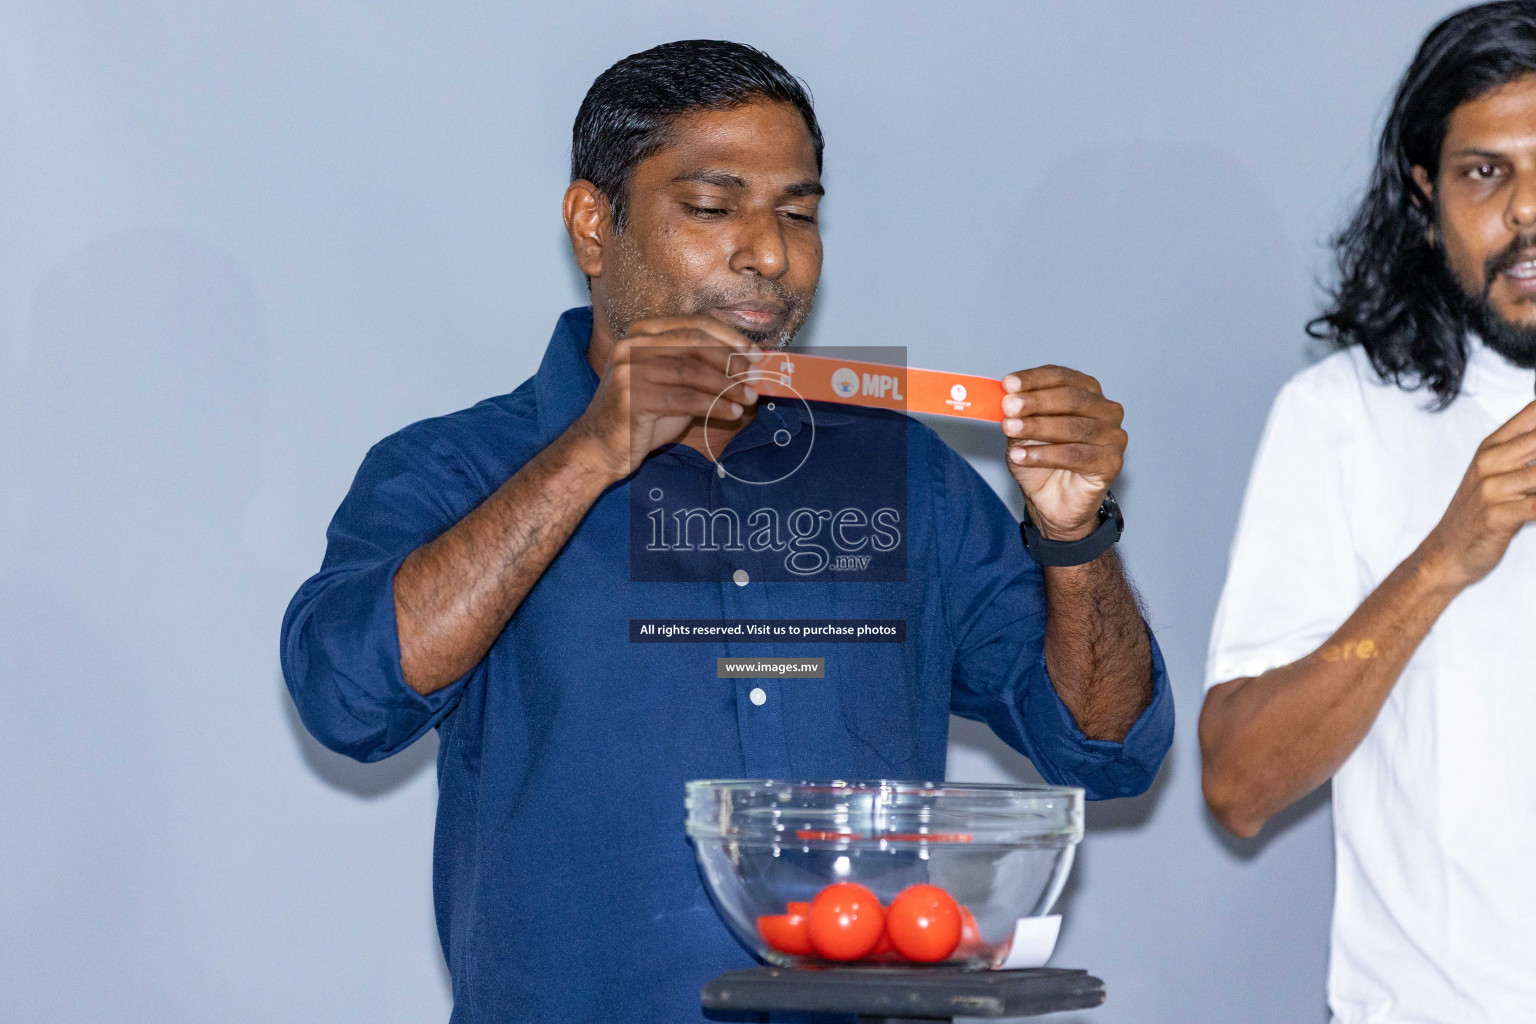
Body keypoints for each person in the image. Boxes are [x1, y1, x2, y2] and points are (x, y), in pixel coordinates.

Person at [283, 39, 1172, 1023]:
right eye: (712, 206)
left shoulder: (903, 473)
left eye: (799, 212)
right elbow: (346, 699)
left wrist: (1074, 533)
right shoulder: (454, 470)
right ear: (593, 224)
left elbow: (1108, 749)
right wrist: (590, 452)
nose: (769, 253)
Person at [1200, 4, 1536, 1021]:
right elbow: (1240, 778)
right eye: (1488, 173)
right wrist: (1440, 558)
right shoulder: (1339, 417)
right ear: (1427, 193)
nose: (1529, 212)